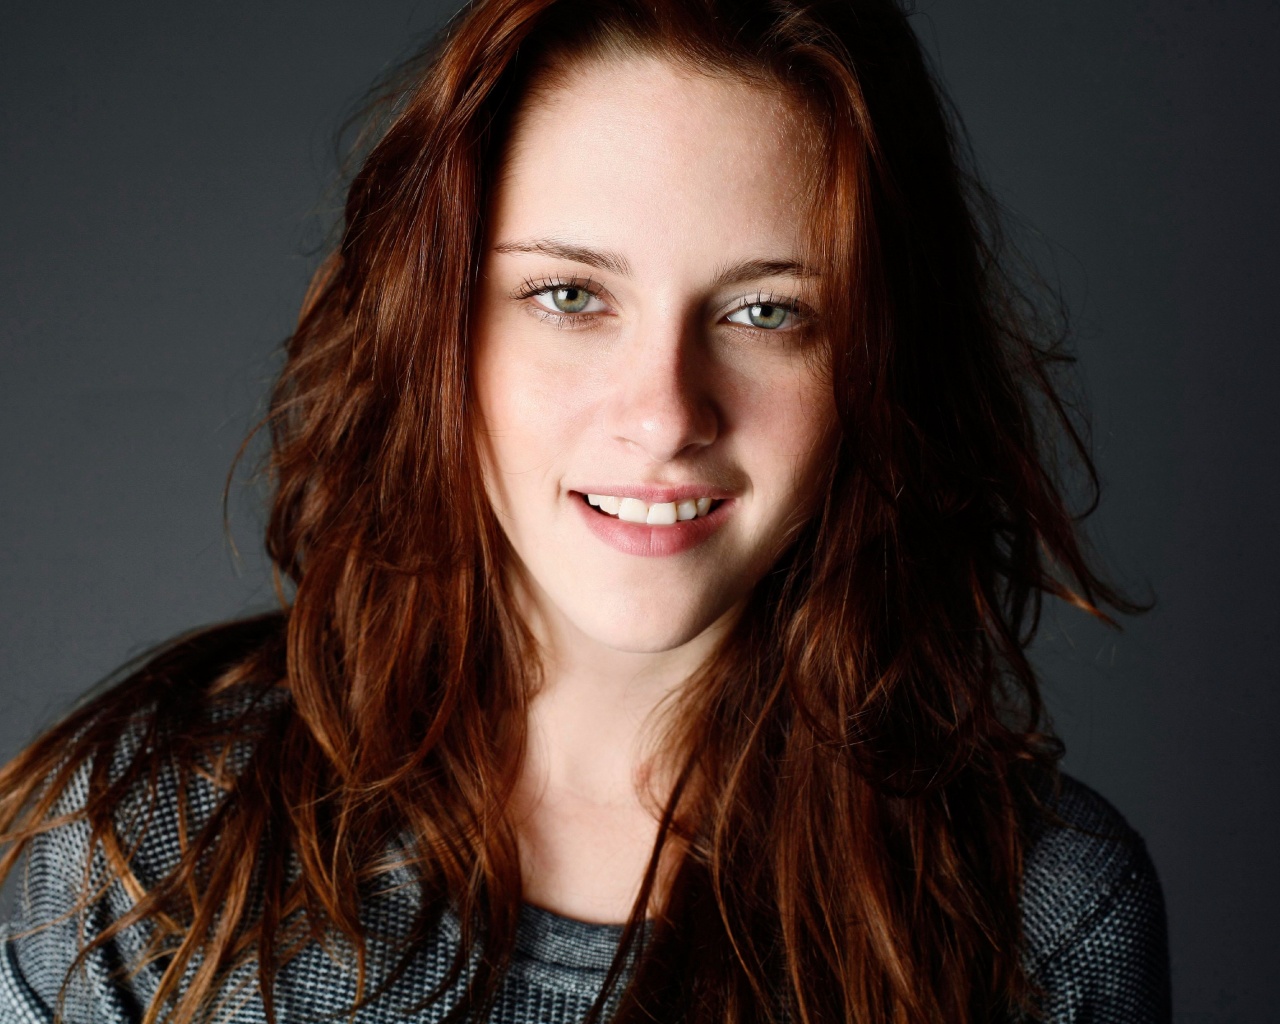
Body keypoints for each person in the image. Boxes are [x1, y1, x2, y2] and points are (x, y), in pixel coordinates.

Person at [0, 0, 1171, 1020]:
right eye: (568, 295)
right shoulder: (152, 841)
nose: (664, 415)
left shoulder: (1035, 919)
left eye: (766, 311)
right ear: (436, 328)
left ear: (879, 364)